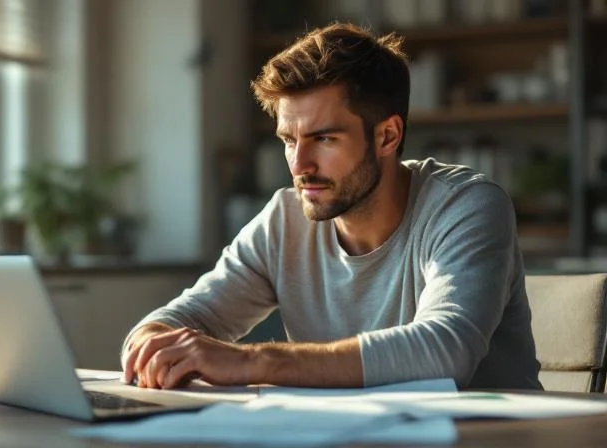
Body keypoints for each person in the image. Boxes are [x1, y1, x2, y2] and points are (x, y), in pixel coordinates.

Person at [120, 22, 541, 391]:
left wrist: (252, 361)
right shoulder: (284, 221)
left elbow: (445, 350)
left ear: (387, 136)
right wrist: (151, 342)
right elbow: (190, 316)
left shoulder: (466, 206)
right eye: (288, 140)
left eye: (323, 138)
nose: (299, 165)